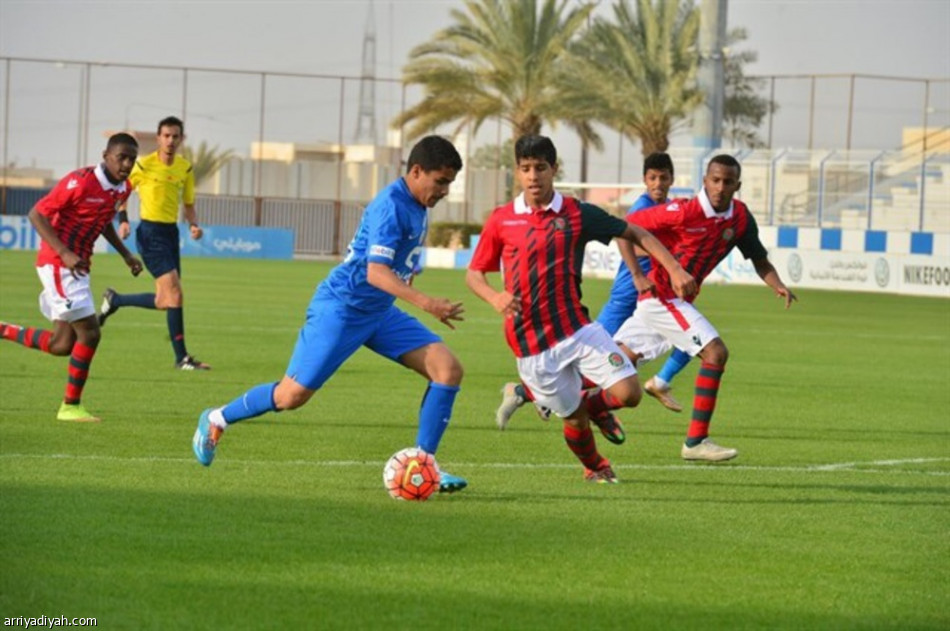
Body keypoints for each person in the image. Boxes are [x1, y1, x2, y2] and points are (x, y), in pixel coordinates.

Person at [191, 135, 469, 493]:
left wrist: (410, 272)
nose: (445, 190)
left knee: (447, 369)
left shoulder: (418, 206)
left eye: (449, 183)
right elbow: (375, 273)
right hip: (343, 307)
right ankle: (216, 418)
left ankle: (424, 465)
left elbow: (393, 267)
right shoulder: (392, 205)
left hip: (379, 311)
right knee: (291, 396)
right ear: (417, 171)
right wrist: (428, 303)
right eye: (441, 181)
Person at [466, 135, 696, 484]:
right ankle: (595, 467)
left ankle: (596, 408)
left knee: (630, 394)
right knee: (573, 420)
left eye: (540, 168)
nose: (533, 176)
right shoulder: (502, 220)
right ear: (517, 172)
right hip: (530, 344)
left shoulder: (576, 213)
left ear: (553, 169)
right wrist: (494, 297)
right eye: (525, 169)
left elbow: (636, 233)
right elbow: (474, 274)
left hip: (577, 329)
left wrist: (675, 268)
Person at [613, 154, 798, 462]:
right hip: (662, 299)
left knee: (616, 372)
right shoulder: (684, 211)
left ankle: (541, 396)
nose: (720, 187)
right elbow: (624, 227)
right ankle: (696, 440)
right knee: (716, 352)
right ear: (705, 181)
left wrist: (777, 283)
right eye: (715, 180)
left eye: (728, 182)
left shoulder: (739, 218)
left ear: (737, 185)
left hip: (670, 305)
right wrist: (637, 274)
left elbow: (759, 260)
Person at [494, 152, 691, 427]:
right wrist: (637, 274)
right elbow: (627, 238)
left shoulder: (669, 208)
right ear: (645, 180)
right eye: (652, 177)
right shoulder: (642, 206)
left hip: (655, 297)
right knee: (594, 359)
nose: (658, 183)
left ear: (672, 179)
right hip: (627, 296)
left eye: (664, 177)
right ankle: (528, 393)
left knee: (688, 340)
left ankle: (654, 384)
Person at [0, 133, 144, 422]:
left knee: (61, 344)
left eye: (131, 159)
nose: (127, 164)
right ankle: (70, 405)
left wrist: (126, 254)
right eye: (121, 157)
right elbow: (36, 214)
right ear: (106, 156)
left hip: (78, 266)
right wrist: (64, 252)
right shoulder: (79, 181)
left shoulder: (122, 188)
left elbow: (103, 221)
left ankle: (2, 329)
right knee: (90, 332)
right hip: (58, 264)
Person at [97, 115, 209, 370]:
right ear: (158, 138)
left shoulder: (185, 168)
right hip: (149, 233)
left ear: (181, 139)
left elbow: (188, 203)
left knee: (164, 301)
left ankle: (115, 300)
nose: (170, 140)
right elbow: (123, 194)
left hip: (171, 234)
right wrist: (123, 220)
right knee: (176, 295)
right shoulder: (143, 165)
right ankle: (182, 358)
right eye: (166, 135)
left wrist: (193, 224)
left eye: (175, 136)